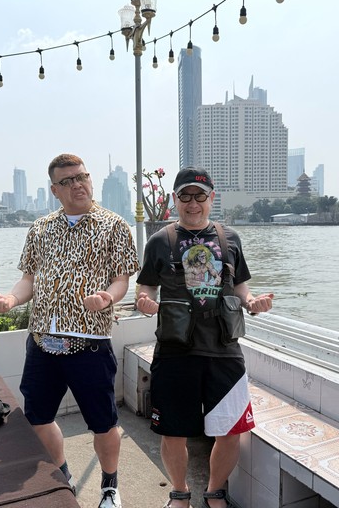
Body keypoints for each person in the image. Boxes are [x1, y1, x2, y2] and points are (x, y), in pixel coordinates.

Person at [0, 153, 139, 508]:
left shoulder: (114, 226)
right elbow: (28, 279)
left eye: (81, 176)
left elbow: (121, 280)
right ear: (55, 189)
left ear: (90, 179)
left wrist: (108, 297)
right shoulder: (40, 229)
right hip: (41, 342)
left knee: (103, 424)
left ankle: (110, 486)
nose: (77, 185)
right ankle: (63, 475)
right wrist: (10, 299)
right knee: (38, 419)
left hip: (90, 343)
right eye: (67, 181)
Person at [136, 167, 274, 508]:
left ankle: (214, 491)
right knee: (173, 431)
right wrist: (144, 302)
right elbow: (146, 286)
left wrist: (252, 302)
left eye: (200, 196)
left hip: (224, 350)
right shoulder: (160, 241)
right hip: (174, 350)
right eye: (185, 196)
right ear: (175, 199)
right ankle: (179, 492)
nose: (193, 203)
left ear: (212, 198)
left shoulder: (230, 238)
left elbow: (240, 285)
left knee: (230, 431)